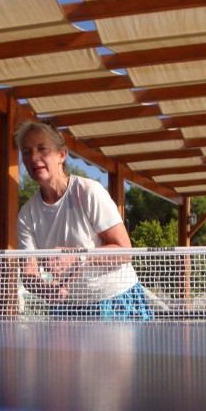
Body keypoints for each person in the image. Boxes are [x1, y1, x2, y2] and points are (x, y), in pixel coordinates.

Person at [15, 121, 153, 320]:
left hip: (114, 299)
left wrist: (75, 256)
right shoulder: (27, 214)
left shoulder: (89, 191)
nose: (33, 158)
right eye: (26, 152)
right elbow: (29, 273)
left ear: (62, 155)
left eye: (42, 149)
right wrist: (46, 290)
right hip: (67, 308)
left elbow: (124, 251)